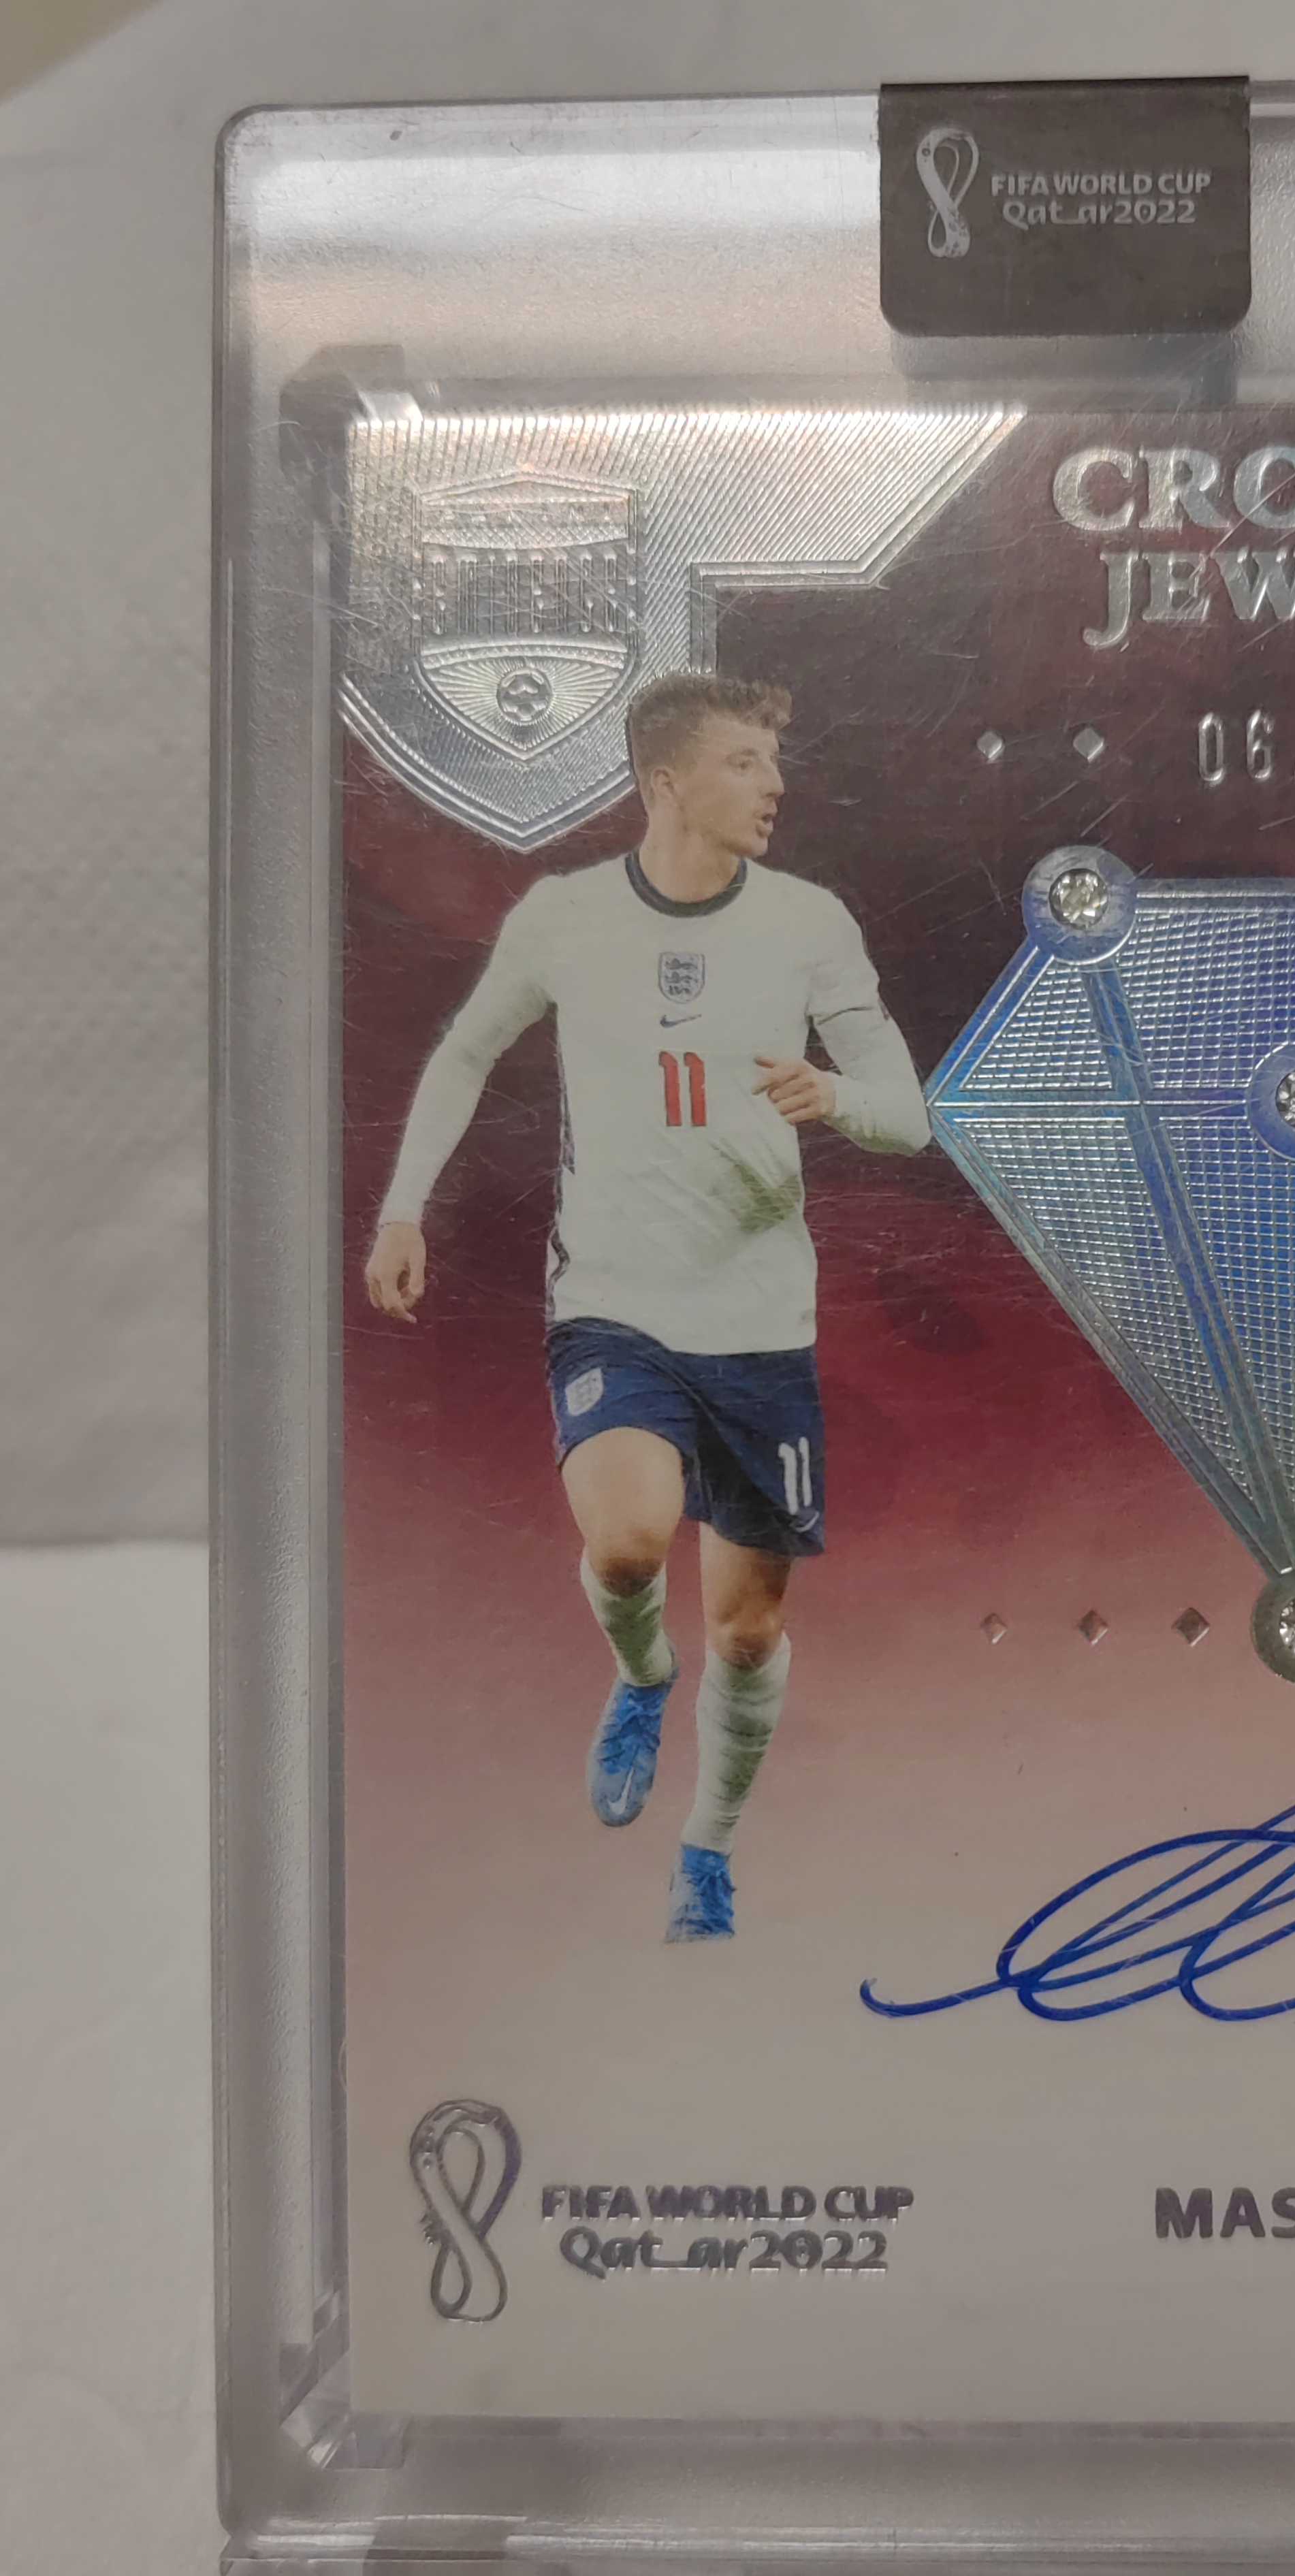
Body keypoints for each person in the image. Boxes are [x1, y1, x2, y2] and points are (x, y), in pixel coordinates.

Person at [364, 673, 931, 1939]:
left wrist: (834, 1097)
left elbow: (909, 1115)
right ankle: (638, 1674)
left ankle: (707, 1853)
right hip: (614, 1301)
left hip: (761, 1326)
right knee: (627, 1545)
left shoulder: (809, 923)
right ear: (665, 783)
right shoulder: (564, 917)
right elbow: (466, 1051)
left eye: (773, 762)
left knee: (749, 1635)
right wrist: (403, 1209)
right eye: (744, 763)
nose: (774, 785)